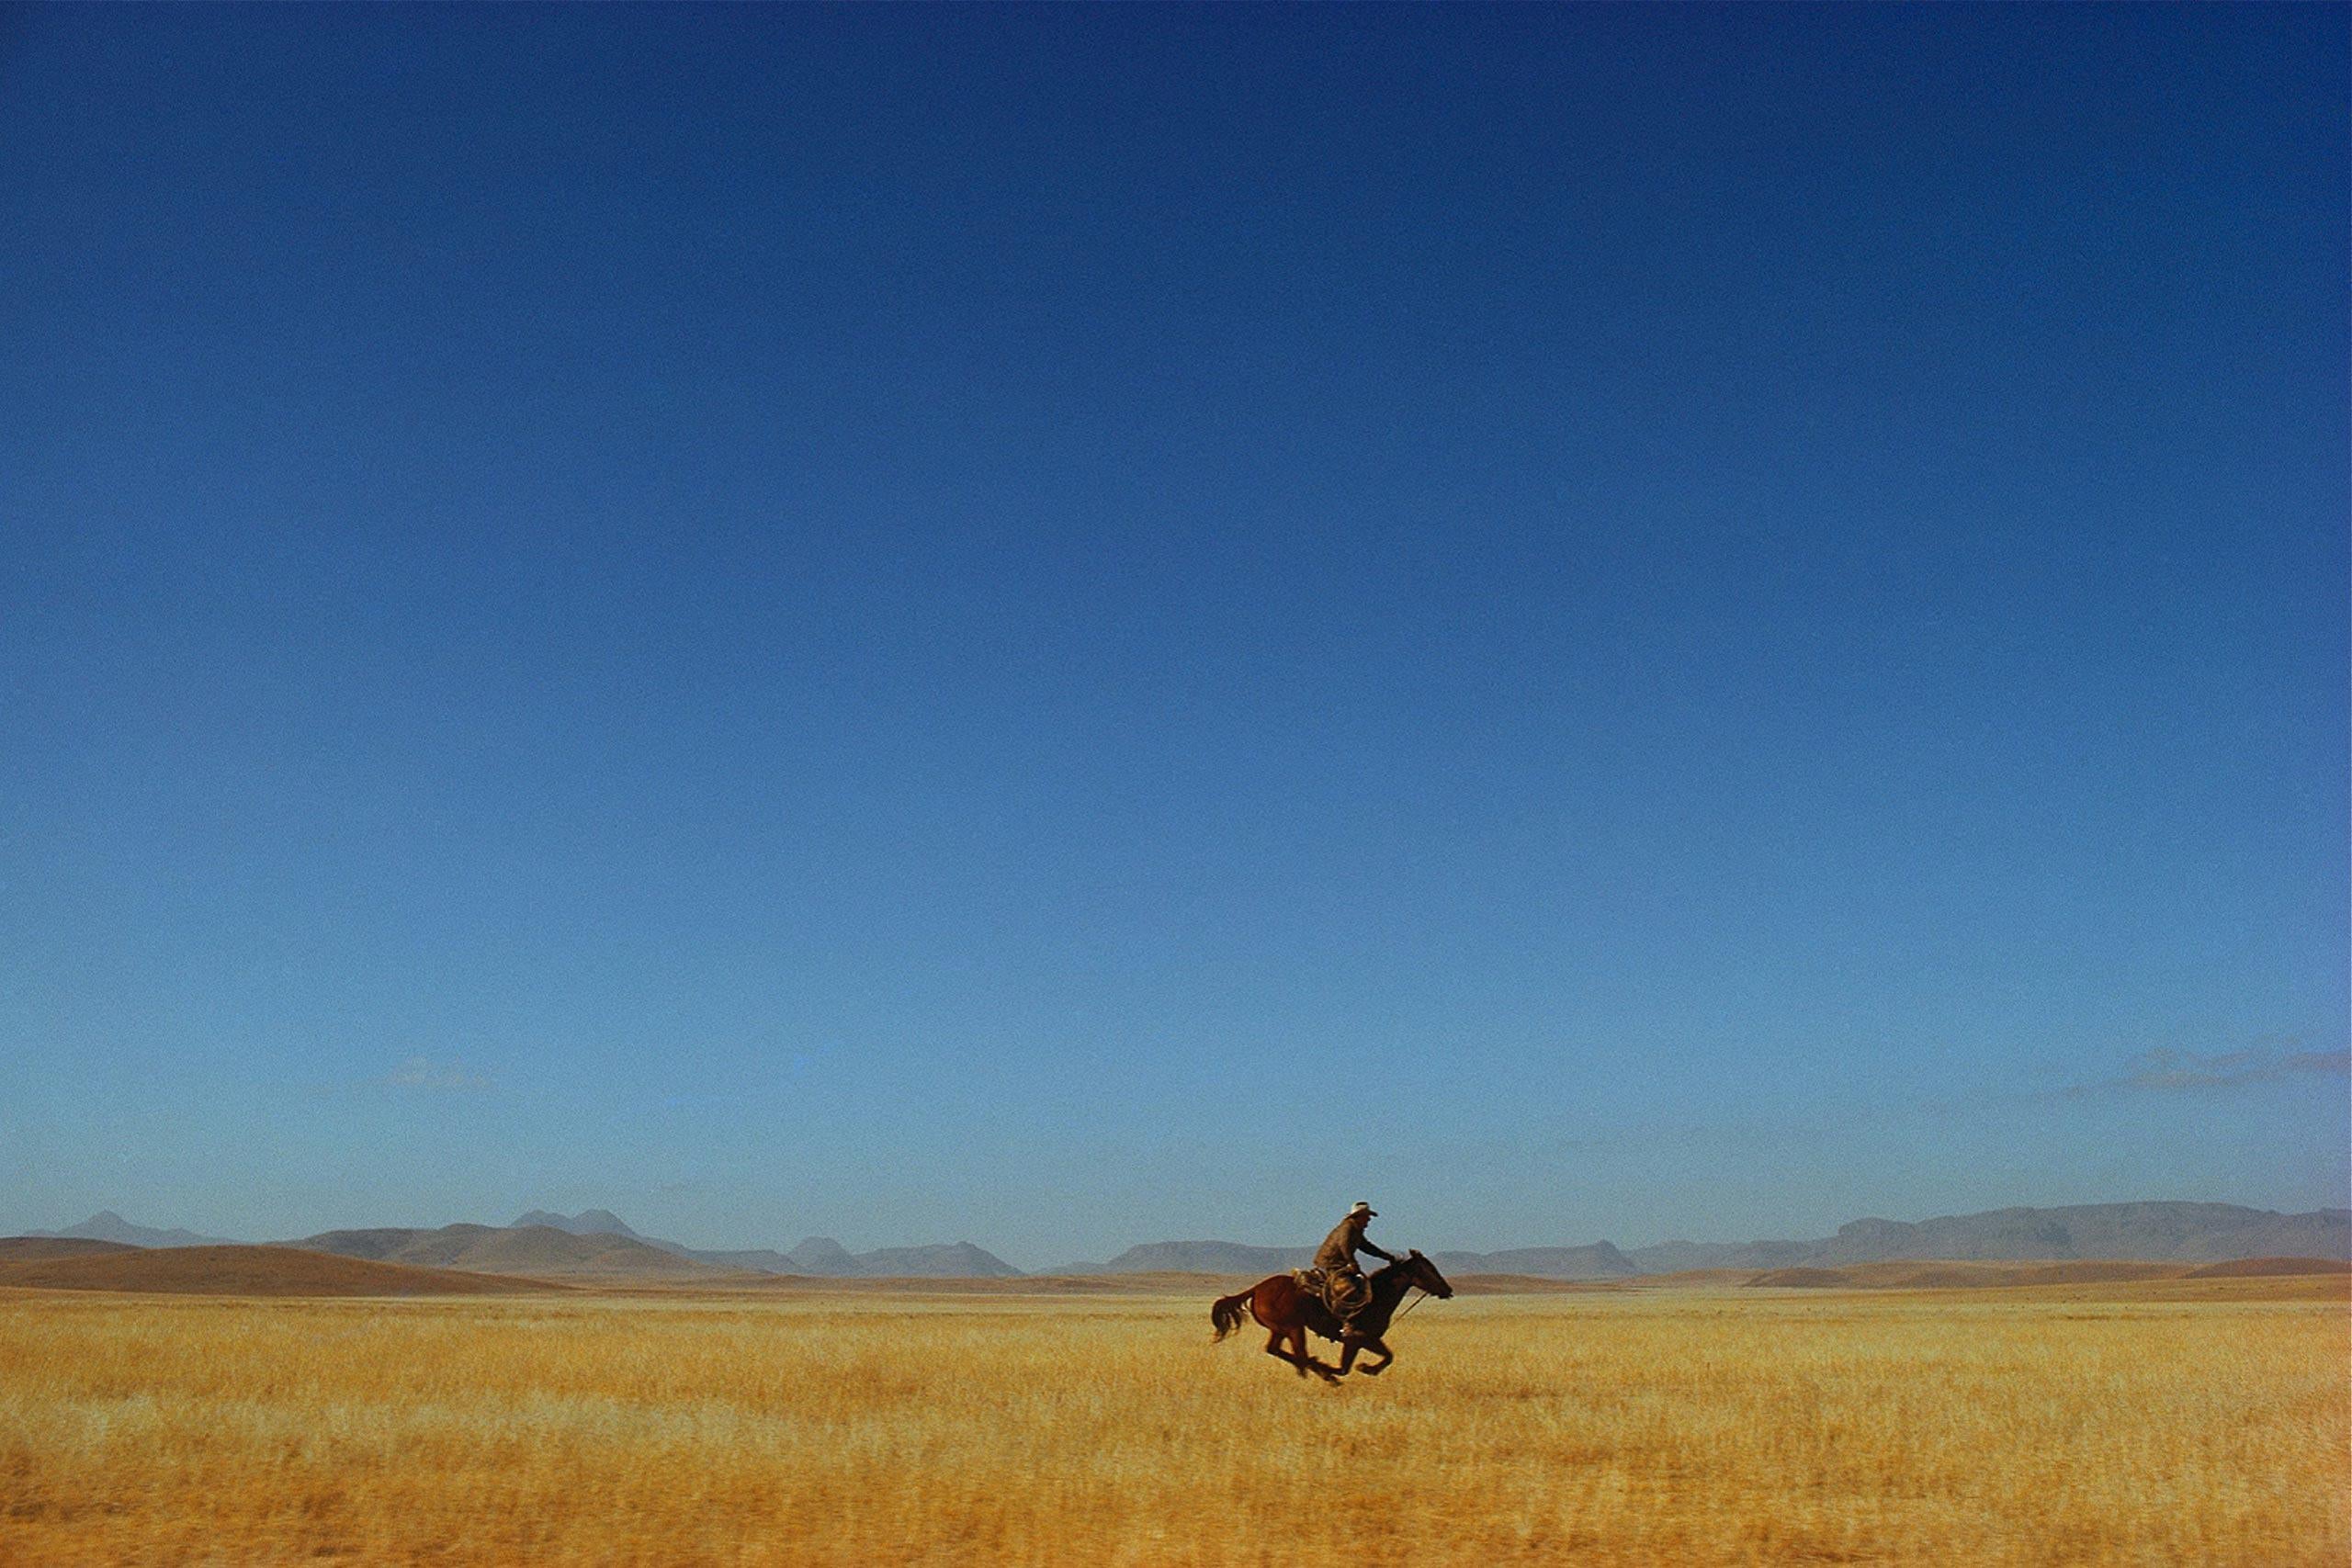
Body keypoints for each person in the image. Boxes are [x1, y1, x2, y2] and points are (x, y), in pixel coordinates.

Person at [1313, 1201, 1396, 1326]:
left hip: (1339, 1265)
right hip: (1330, 1264)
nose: (1368, 1219)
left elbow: (1367, 1247)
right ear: (1359, 1216)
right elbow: (1344, 1245)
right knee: (1349, 1289)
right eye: (1367, 1216)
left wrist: (1386, 1256)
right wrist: (1352, 1263)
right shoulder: (1347, 1227)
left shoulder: (1356, 1230)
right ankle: (1341, 1321)